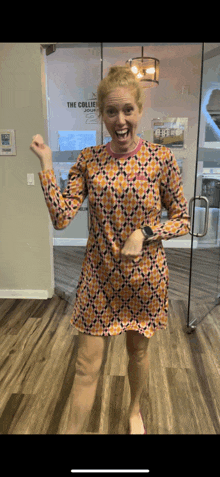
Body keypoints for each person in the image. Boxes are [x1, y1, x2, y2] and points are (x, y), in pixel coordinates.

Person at [30, 66, 190, 434]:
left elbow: (182, 219)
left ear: (139, 110)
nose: (120, 120)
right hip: (98, 279)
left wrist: (145, 232)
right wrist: (47, 165)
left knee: (138, 353)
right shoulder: (88, 160)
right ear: (102, 114)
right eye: (112, 112)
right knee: (86, 366)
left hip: (145, 279)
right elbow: (61, 217)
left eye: (128, 110)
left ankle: (135, 410)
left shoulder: (161, 160)